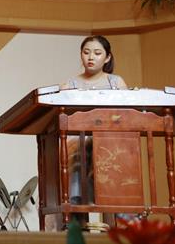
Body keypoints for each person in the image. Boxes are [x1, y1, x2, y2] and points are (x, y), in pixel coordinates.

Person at [60, 35, 128, 227]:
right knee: (75, 147)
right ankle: (76, 213)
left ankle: (119, 220)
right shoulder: (69, 85)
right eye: (86, 52)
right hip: (79, 142)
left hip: (109, 142)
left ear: (107, 57)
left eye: (97, 53)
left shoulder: (116, 83)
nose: (91, 57)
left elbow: (126, 116)